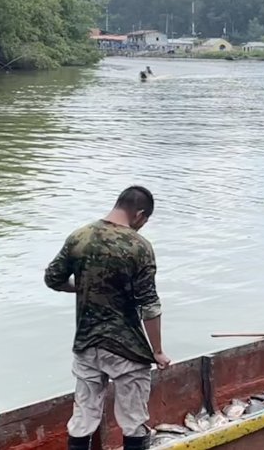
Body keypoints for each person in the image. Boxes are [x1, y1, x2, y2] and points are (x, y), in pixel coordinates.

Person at [44, 186, 169, 450]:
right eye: (144, 222)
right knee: (133, 420)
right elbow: (149, 305)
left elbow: (53, 278)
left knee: (83, 416)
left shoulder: (80, 237)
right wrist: (157, 351)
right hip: (127, 348)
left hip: (87, 344)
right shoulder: (139, 247)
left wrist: (82, 286)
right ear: (140, 215)